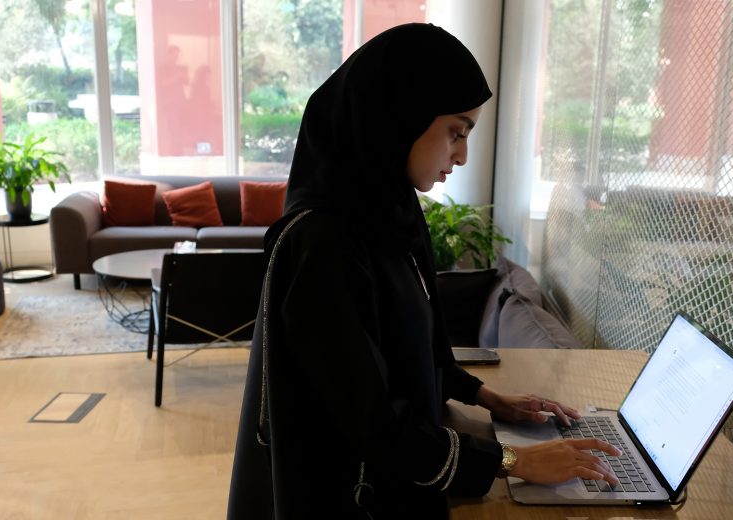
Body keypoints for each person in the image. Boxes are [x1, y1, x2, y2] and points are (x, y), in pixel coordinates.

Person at [227, 23, 621, 519]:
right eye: (456, 132)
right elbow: (371, 424)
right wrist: (514, 460)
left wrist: (483, 394)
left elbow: (404, 347)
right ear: (397, 115)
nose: (462, 155)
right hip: (347, 498)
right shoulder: (323, 242)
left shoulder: (389, 212)